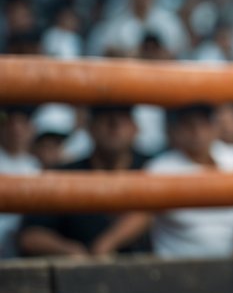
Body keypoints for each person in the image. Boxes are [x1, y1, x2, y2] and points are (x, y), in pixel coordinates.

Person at [18, 106, 151, 257]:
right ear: (89, 126)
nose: (114, 124)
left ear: (136, 128)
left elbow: (151, 212)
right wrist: (69, 251)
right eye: (104, 116)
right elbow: (31, 235)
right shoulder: (63, 175)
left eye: (123, 117)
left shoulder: (153, 168)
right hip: (75, 276)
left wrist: (107, 243)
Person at [143, 104, 233, 259]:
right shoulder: (160, 169)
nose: (197, 132)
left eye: (204, 124)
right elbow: (140, 216)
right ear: (177, 130)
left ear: (215, 127)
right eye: (189, 125)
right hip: (178, 271)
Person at [0, 106, 40, 258]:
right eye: (11, 123)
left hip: (21, 244)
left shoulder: (35, 165)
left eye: (22, 123)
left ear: (31, 128)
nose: (16, 129)